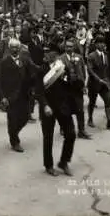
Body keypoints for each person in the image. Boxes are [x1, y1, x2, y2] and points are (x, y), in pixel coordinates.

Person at [40, 44, 76, 176]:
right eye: (47, 53)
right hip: (48, 107)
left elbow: (70, 85)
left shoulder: (62, 67)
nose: (49, 55)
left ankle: (64, 161)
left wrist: (69, 75)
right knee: (48, 137)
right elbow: (38, 90)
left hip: (63, 105)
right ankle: (48, 165)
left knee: (71, 134)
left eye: (52, 53)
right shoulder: (42, 69)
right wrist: (44, 105)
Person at [0, 38, 37, 152]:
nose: (15, 49)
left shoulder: (25, 60)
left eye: (17, 47)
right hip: (10, 96)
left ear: (19, 48)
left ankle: (14, 132)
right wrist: (3, 97)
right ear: (9, 48)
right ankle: (15, 141)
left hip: (24, 94)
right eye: (12, 47)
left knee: (25, 117)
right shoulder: (4, 62)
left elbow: (33, 71)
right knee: (12, 119)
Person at [86, 36, 110, 131]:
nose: (102, 44)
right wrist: (99, 79)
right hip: (94, 83)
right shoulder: (91, 56)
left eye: (103, 43)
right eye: (99, 43)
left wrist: (108, 80)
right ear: (96, 44)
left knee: (108, 101)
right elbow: (90, 70)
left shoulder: (106, 54)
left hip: (105, 83)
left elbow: (108, 69)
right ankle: (90, 119)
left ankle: (109, 122)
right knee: (92, 102)